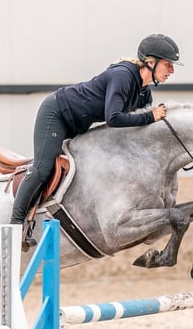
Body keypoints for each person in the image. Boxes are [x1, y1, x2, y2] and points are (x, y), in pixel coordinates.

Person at [10, 33, 183, 245]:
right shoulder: (124, 76)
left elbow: (137, 131)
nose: (172, 71)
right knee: (43, 168)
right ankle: (15, 225)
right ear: (150, 62)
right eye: (168, 65)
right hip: (57, 113)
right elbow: (114, 118)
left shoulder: (144, 92)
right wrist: (151, 115)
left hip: (78, 124)